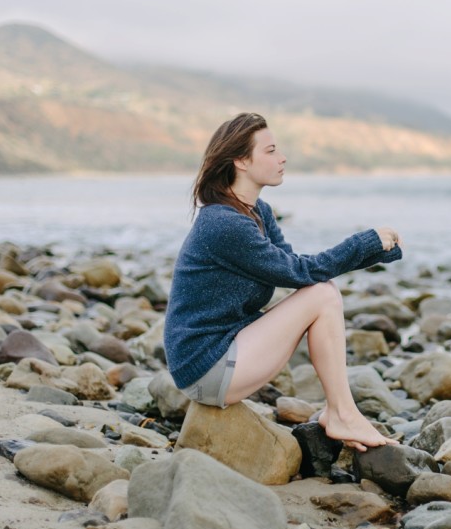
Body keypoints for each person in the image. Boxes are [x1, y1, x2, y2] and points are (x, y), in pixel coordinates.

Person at [164, 112, 403, 451]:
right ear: (241, 162)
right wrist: (364, 243)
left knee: (320, 292)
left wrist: (375, 250)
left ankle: (339, 412)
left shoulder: (257, 211)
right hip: (206, 368)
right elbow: (301, 273)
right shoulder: (224, 224)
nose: (283, 158)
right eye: (271, 150)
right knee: (321, 293)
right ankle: (342, 414)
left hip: (226, 351)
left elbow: (295, 270)